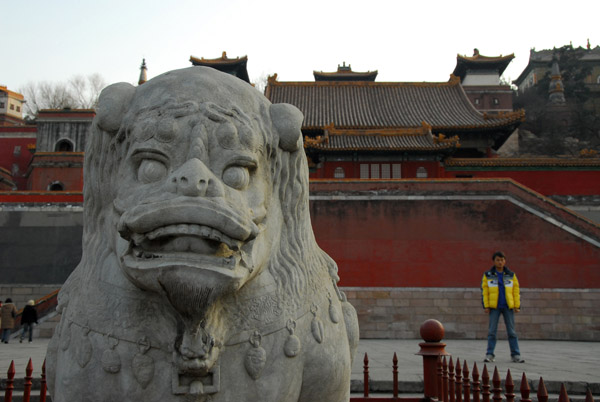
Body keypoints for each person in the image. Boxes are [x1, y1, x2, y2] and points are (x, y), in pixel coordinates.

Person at [481, 251, 525, 363]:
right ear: (494, 261)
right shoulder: (488, 275)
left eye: (502, 260)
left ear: (505, 261)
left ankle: (515, 355)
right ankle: (490, 354)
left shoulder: (511, 275)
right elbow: (484, 291)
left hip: (508, 306)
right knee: (492, 331)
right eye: (498, 260)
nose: (500, 262)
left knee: (512, 332)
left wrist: (517, 305)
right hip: (494, 307)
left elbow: (516, 291)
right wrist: (486, 306)